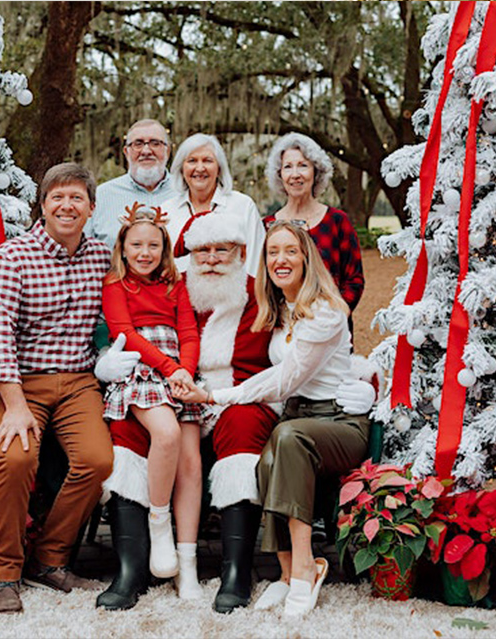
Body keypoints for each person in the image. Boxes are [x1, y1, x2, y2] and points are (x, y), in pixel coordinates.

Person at [94, 214, 376, 613]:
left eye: (221, 249)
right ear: (188, 254)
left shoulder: (262, 292)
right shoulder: (174, 287)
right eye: (202, 251)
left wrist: (366, 377)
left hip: (240, 393)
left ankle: (236, 572)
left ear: (241, 253)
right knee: (128, 431)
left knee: (244, 434)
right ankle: (131, 569)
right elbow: (128, 328)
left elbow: (308, 355)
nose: (210, 259)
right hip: (173, 388)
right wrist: (107, 363)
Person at [177, 220, 371, 617]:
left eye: (290, 251)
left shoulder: (325, 311)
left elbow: (285, 380)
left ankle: (305, 566)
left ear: (306, 258)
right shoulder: (281, 307)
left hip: (337, 421)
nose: (280, 260)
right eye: (272, 252)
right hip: (298, 420)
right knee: (267, 458)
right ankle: (284, 573)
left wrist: (215, 396)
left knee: (286, 440)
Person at [0, 163, 114, 614]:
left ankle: (49, 559)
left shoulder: (101, 257)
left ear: (91, 208)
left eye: (76, 197)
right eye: (57, 197)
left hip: (78, 382)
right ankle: (3, 574)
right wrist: (14, 406)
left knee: (97, 461)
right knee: (17, 458)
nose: (66, 205)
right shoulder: (12, 256)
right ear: (43, 205)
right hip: (21, 381)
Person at [101, 203, 203, 599]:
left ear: (165, 249)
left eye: (154, 246)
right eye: (137, 245)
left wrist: (186, 372)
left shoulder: (175, 285)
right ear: (123, 248)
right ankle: (159, 521)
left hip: (178, 373)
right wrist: (168, 368)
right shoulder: (115, 285)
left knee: (191, 463)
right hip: (142, 367)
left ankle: (188, 565)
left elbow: (189, 331)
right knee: (165, 434)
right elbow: (126, 332)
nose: (145, 253)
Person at [263, 132, 364, 322]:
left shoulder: (337, 221)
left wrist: (334, 317)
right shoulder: (267, 226)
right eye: (287, 167)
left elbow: (354, 280)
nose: (295, 174)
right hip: (282, 328)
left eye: (303, 165)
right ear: (279, 175)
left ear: (316, 172)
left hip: (330, 328)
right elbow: (261, 283)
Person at [163, 133, 265, 277]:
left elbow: (256, 262)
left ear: (219, 168)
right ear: (181, 168)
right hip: (176, 297)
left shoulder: (242, 206)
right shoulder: (167, 211)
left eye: (207, 160)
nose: (199, 168)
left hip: (234, 296)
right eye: (192, 161)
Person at [86, 119, 175, 249]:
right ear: (126, 152)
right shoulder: (100, 196)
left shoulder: (186, 191)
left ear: (167, 151)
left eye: (155, 143)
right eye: (138, 144)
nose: (146, 151)